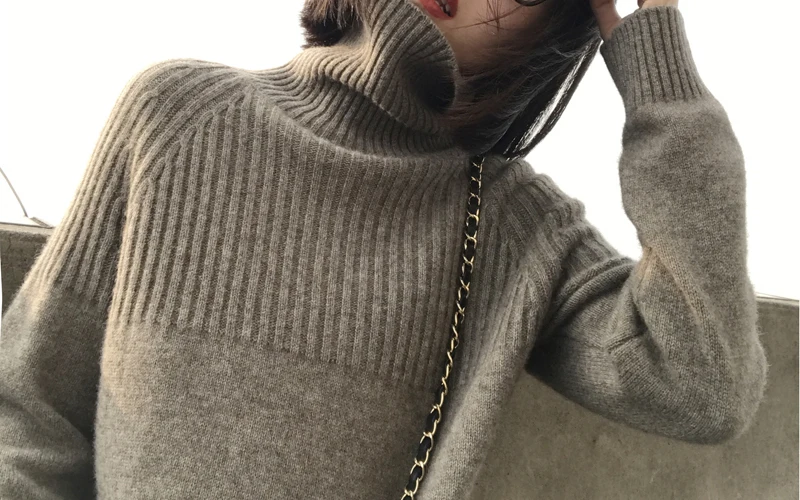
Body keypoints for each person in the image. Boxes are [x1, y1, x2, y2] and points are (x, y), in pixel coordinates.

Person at [0, 0, 769, 498]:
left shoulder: (514, 226)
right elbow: (31, 412)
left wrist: (659, 66)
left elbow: (704, 380)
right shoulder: (176, 118)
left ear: (554, 32)